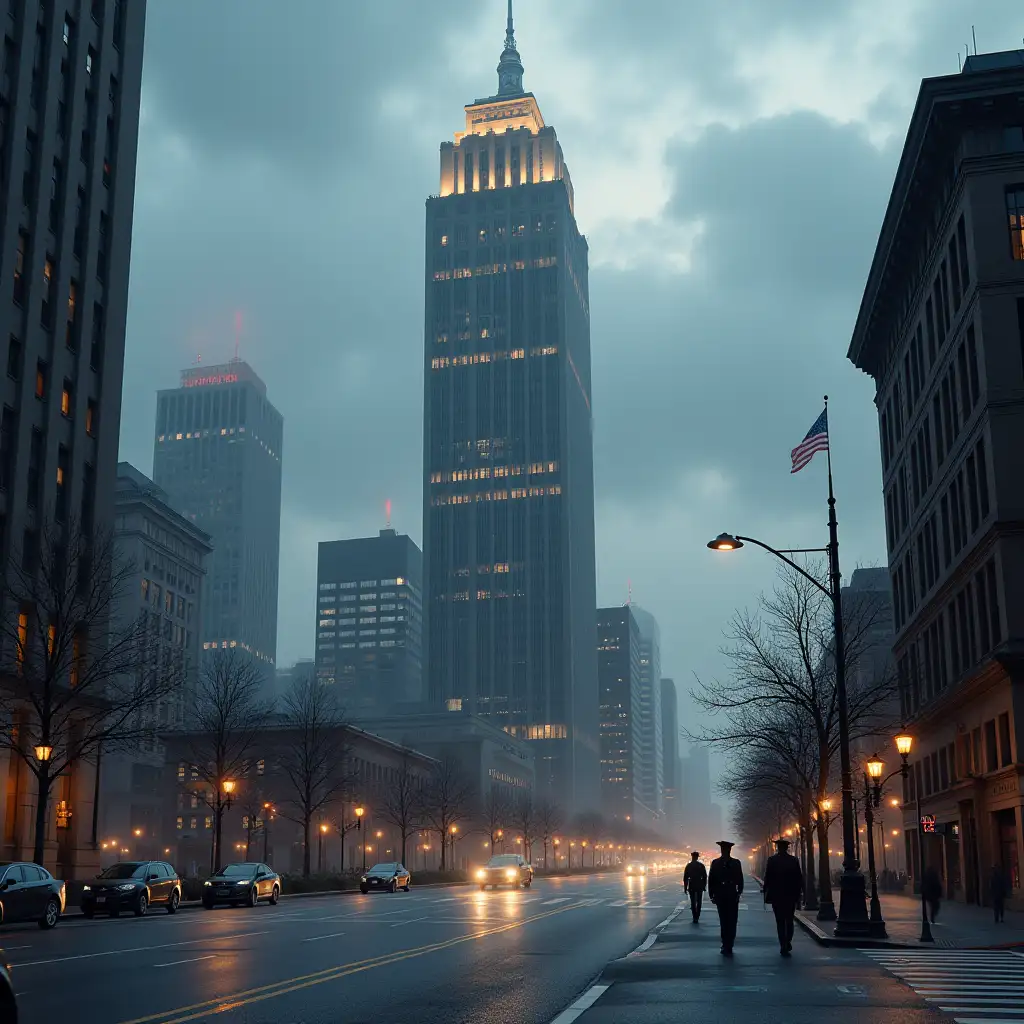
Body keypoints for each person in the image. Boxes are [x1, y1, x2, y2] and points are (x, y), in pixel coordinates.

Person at [762, 837, 804, 956]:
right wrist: (800, 893)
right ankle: (788, 941)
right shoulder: (793, 860)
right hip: (790, 895)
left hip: (777, 895)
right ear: (787, 848)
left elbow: (767, 877)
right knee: (789, 919)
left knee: (779, 921)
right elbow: (799, 878)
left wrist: (765, 891)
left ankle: (782, 944)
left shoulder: (772, 860)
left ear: (777, 848)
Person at [708, 839, 744, 955]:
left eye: (726, 849)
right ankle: (725, 943)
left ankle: (730, 943)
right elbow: (711, 880)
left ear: (729, 850)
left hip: (732, 894)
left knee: (732, 920)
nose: (725, 851)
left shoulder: (736, 863)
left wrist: (739, 893)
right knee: (724, 921)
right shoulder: (715, 863)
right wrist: (711, 894)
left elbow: (740, 879)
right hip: (721, 894)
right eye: (724, 849)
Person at [683, 851, 707, 923]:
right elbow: (705, 877)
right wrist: (704, 886)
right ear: (697, 857)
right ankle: (697, 916)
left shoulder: (688, 866)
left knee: (693, 902)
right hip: (699, 884)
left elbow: (685, 878)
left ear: (692, 857)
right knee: (699, 901)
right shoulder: (701, 865)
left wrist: (685, 887)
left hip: (692, 884)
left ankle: (694, 917)